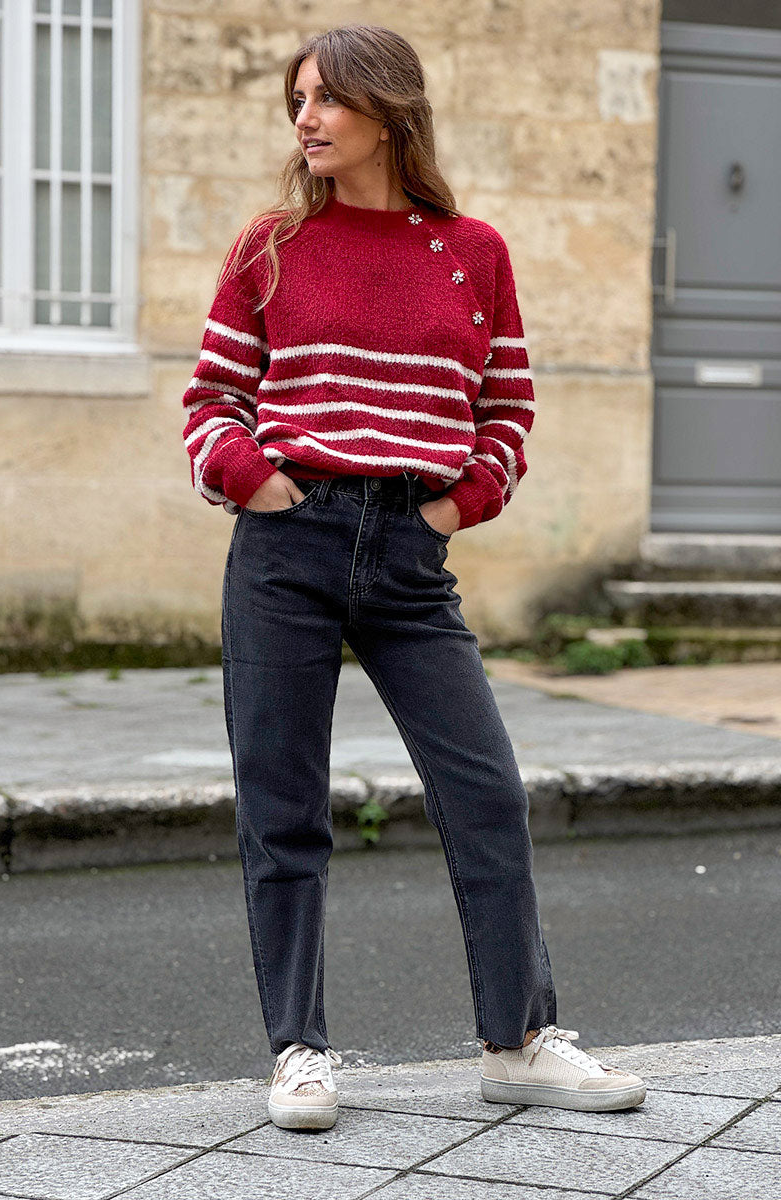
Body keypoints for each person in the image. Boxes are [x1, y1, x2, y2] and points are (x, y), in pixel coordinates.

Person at [181, 23, 647, 1131]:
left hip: (407, 552)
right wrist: (256, 483)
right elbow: (209, 403)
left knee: (484, 791)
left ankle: (518, 1041)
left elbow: (507, 409)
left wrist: (451, 505)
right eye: (296, 98)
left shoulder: (470, 251)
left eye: (327, 98)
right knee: (283, 809)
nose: (305, 118)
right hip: (286, 547)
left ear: (388, 111)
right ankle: (298, 1051)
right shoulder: (269, 245)